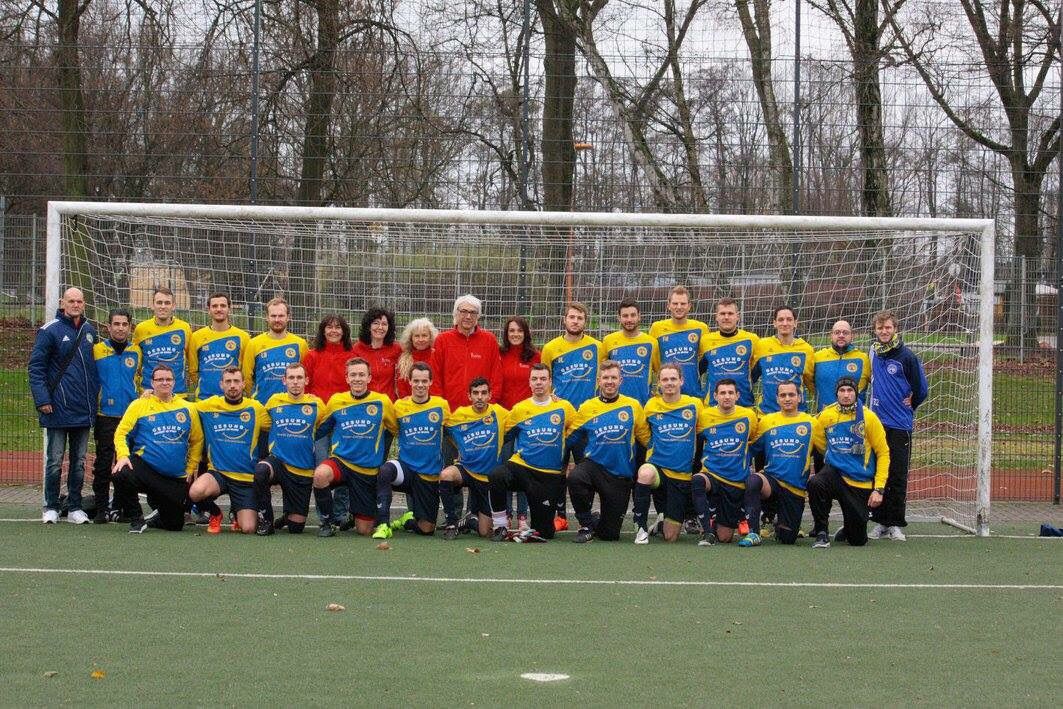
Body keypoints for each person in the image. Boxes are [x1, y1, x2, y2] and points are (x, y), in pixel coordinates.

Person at [29, 287, 101, 524]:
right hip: (57, 407)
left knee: (80, 462)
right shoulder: (49, 331)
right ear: (62, 303)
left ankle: (75, 507)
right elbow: (36, 368)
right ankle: (50, 505)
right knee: (54, 460)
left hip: (83, 409)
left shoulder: (90, 331)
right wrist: (43, 400)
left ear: (84, 303)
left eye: (79, 301)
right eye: (71, 300)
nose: (75, 304)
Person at [488, 364, 578, 540]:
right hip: (521, 467)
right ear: (529, 382)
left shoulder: (564, 407)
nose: (539, 383)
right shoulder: (519, 409)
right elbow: (502, 436)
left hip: (548, 475)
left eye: (543, 379)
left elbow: (577, 434)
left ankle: (541, 524)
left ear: (550, 382)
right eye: (535, 379)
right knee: (497, 475)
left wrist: (573, 463)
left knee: (544, 534)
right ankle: (500, 527)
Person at [111, 364, 203, 533]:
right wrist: (123, 455)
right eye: (160, 379)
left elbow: (197, 441)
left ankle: (156, 518)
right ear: (152, 383)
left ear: (174, 383)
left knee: (175, 525)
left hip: (174, 477)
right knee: (120, 473)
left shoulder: (188, 408)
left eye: (168, 379)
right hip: (146, 469)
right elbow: (121, 432)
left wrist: (191, 468)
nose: (164, 383)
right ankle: (136, 518)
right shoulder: (139, 405)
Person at [312, 358, 397, 538]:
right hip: (341, 462)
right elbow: (321, 430)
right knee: (320, 475)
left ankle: (355, 512)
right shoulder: (336, 401)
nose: (357, 378)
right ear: (347, 378)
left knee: (364, 530)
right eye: (353, 375)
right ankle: (327, 522)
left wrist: (380, 454)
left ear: (369, 378)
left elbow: (394, 429)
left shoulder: (382, 402)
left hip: (366, 470)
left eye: (361, 374)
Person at [567, 360, 650, 543]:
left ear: (621, 380)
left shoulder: (633, 406)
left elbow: (646, 439)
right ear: (599, 381)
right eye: (605, 378)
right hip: (594, 466)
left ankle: (598, 521)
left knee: (609, 535)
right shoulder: (587, 407)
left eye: (614, 377)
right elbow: (570, 436)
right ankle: (586, 524)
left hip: (620, 474)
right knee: (576, 478)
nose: (609, 381)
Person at [540, 302, 603, 530]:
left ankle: (586, 513)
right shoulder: (550, 348)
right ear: (564, 320)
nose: (575, 321)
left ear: (585, 322)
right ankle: (559, 515)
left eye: (580, 318)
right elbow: (542, 379)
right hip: (560, 420)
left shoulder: (598, 346)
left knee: (587, 470)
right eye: (572, 317)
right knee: (557, 469)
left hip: (587, 420)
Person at [868, 310, 928, 542]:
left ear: (896, 330)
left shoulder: (907, 357)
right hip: (877, 423)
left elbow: (921, 389)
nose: (884, 331)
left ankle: (894, 523)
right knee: (878, 473)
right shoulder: (873, 352)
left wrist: (910, 404)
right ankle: (879, 522)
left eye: (888, 328)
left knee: (897, 474)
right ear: (875, 330)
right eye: (880, 328)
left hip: (900, 424)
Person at [188, 367, 271, 534]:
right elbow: (182, 407)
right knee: (195, 492)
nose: (232, 385)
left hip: (245, 478)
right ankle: (215, 513)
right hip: (218, 474)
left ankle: (237, 511)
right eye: (228, 382)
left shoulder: (256, 408)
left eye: (236, 381)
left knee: (249, 528)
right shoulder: (209, 405)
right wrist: (150, 395)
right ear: (221, 384)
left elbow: (274, 426)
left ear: (243, 384)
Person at [809, 377, 890, 548]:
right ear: (836, 393)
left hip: (860, 480)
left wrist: (879, 489)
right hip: (835, 473)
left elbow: (883, 453)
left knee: (857, 541)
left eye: (850, 391)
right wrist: (833, 456)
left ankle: (849, 527)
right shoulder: (826, 415)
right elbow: (819, 440)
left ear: (856, 393)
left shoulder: (869, 418)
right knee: (816, 482)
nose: (846, 395)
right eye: (842, 391)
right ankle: (821, 532)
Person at [373, 362, 451, 537]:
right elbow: (389, 432)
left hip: (429, 474)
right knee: (385, 471)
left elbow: (451, 433)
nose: (420, 385)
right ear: (410, 381)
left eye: (424, 381)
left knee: (427, 529)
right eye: (416, 381)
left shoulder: (441, 405)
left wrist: (457, 459)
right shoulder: (399, 406)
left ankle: (408, 520)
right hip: (406, 469)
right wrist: (376, 459)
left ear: (431, 382)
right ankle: (383, 524)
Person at [743, 381, 821, 545]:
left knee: (787, 539)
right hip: (772, 482)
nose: (787, 399)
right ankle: (753, 532)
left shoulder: (812, 423)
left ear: (800, 398)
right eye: (783, 395)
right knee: (753, 480)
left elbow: (826, 451)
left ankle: (779, 522)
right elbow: (751, 449)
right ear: (777, 399)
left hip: (795, 489)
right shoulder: (766, 421)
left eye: (791, 395)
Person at [631, 363, 701, 544]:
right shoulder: (651, 405)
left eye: (673, 379)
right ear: (659, 383)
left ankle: (661, 523)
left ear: (681, 381)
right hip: (658, 470)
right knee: (645, 472)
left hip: (681, 476)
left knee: (671, 537)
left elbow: (706, 428)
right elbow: (642, 431)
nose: (669, 383)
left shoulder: (695, 405)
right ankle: (640, 527)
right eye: (665, 379)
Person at [253, 363, 326, 536]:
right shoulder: (273, 402)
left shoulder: (317, 405)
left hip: (302, 469)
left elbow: (324, 428)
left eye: (299, 378)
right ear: (284, 380)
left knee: (296, 529)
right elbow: (263, 424)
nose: (295, 382)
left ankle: (288, 516)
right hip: (278, 462)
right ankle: (266, 521)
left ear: (306, 381)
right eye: (291, 378)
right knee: (261, 471)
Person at [693, 378, 759, 546]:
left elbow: (754, 442)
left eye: (730, 393)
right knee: (698, 480)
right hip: (712, 475)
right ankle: (707, 532)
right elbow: (697, 441)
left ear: (737, 395)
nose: (726, 396)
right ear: (715, 396)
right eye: (722, 393)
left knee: (725, 537)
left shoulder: (749, 417)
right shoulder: (704, 416)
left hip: (736, 482)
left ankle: (731, 519)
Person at [439, 377, 508, 539]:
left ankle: (470, 521)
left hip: (487, 477)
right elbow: (444, 428)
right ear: (469, 396)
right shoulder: (460, 414)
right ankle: (451, 522)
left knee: (485, 533)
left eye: (484, 393)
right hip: (466, 469)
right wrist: (458, 449)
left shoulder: (500, 413)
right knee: (445, 475)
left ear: (490, 395)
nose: (479, 397)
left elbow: (523, 419)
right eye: (475, 393)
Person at [90, 308, 140, 522]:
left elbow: (144, 380)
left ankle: (123, 507)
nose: (120, 328)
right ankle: (101, 508)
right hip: (106, 415)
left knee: (128, 462)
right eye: (116, 324)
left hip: (131, 416)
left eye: (124, 324)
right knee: (103, 463)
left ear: (130, 327)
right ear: (108, 327)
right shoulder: (97, 351)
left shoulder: (137, 352)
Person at [431, 295, 502, 409]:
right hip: (450, 410)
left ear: (478, 316)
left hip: (480, 411)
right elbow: (435, 376)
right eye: (464, 311)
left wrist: (490, 404)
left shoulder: (489, 340)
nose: (468, 316)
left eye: (473, 312)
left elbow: (496, 376)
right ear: (456, 313)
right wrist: (440, 405)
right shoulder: (442, 340)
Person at [243, 297, 308, 405]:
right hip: (262, 405)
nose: (277, 319)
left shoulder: (300, 344)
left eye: (281, 316)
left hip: (291, 406)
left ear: (288, 317)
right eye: (273, 316)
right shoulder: (254, 344)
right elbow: (247, 376)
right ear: (267, 317)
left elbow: (306, 376)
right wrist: (254, 397)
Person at [132, 287, 195, 397]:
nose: (163, 306)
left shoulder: (184, 328)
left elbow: (192, 361)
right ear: (152, 305)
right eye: (159, 302)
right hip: (149, 393)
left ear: (173, 306)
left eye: (167, 303)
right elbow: (135, 361)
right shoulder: (141, 329)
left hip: (178, 394)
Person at [649, 285, 710, 398]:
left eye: (683, 304)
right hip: (665, 394)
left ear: (689, 306)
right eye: (675, 303)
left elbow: (707, 360)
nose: (679, 307)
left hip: (693, 394)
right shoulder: (657, 328)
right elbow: (653, 361)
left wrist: (693, 373)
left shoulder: (701, 328)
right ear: (668, 305)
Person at [751, 305, 814, 414]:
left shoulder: (806, 350)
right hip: (767, 414)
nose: (785, 323)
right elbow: (750, 378)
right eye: (781, 320)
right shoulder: (762, 346)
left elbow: (812, 385)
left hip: (797, 414)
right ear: (774, 323)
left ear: (795, 323)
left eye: (789, 319)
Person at [700, 297, 760, 408]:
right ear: (716, 317)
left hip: (745, 405)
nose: (726, 317)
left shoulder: (752, 340)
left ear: (737, 317)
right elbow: (697, 371)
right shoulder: (705, 341)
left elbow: (758, 370)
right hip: (713, 407)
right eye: (722, 313)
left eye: (730, 313)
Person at [191, 292, 250, 400]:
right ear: (208, 310)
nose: (219, 309)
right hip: (204, 400)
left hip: (233, 399)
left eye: (223, 306)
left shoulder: (243, 337)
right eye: (214, 306)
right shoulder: (196, 337)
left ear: (229, 309)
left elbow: (245, 371)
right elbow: (193, 370)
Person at [602, 299, 658, 406]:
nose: (629, 319)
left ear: (639, 316)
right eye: (625, 316)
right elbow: (600, 372)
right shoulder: (608, 341)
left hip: (643, 405)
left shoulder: (651, 343)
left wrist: (658, 393)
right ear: (619, 318)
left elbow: (660, 371)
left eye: (633, 315)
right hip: (614, 406)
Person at [812, 320, 870, 412]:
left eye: (845, 333)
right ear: (831, 336)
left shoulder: (863, 358)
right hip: (825, 419)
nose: (841, 335)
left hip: (855, 419)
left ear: (852, 336)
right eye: (837, 332)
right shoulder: (817, 358)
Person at [352, 307, 402, 401]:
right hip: (364, 403)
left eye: (384, 324)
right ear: (368, 326)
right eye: (376, 323)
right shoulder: (357, 349)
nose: (380, 327)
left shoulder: (396, 349)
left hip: (388, 403)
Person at [498, 316, 540, 410]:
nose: (515, 334)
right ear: (506, 333)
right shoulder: (499, 354)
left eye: (520, 330)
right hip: (503, 412)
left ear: (525, 333)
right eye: (512, 330)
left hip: (527, 413)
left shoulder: (535, 356)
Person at [396, 318, 438, 399]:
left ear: (431, 337)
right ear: (411, 338)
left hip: (433, 405)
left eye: (424, 335)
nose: (421, 339)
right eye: (417, 336)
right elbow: (401, 386)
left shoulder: (437, 356)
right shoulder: (404, 359)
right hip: (411, 405)